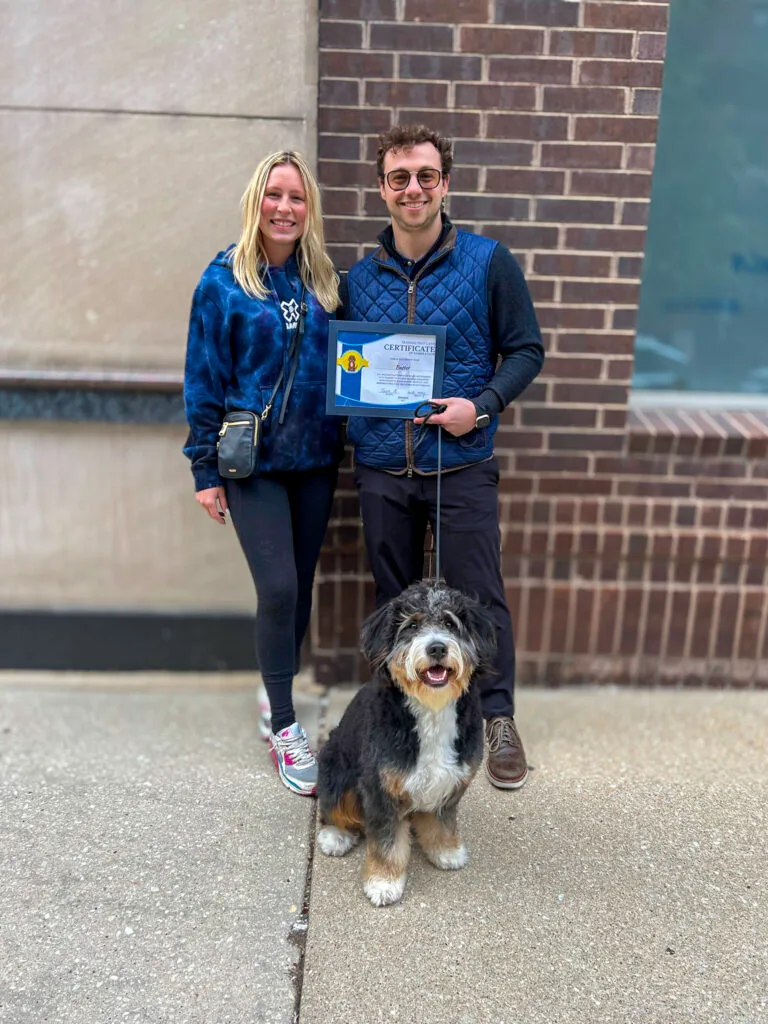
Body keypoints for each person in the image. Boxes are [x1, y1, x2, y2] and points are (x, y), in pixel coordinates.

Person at [341, 124, 545, 790]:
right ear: (382, 189)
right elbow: (344, 363)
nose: (413, 189)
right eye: (399, 178)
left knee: (479, 600)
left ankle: (497, 719)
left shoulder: (489, 262)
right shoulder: (358, 278)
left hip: (460, 464)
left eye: (425, 176)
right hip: (381, 468)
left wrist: (479, 407)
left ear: (444, 184)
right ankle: (397, 719)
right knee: (397, 605)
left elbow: (526, 351)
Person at [183, 150, 341, 797]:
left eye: (297, 198)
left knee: (300, 590)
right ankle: (284, 724)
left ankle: (268, 685)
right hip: (251, 464)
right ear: (257, 201)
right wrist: (203, 469)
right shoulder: (223, 281)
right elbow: (203, 378)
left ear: (310, 210)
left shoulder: (325, 282)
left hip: (316, 461)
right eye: (274, 195)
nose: (285, 207)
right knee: (277, 588)